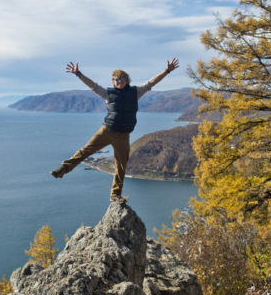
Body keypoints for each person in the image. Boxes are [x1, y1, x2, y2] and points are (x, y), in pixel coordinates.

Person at [50, 59, 180, 201]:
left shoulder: (135, 92)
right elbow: (92, 85)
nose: (120, 81)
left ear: (127, 80)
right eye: (117, 79)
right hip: (107, 131)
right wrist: (78, 74)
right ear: (113, 81)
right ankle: (63, 169)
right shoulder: (108, 93)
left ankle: (115, 195)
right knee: (86, 151)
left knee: (121, 165)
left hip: (123, 136)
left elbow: (151, 82)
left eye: (123, 79)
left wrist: (167, 71)